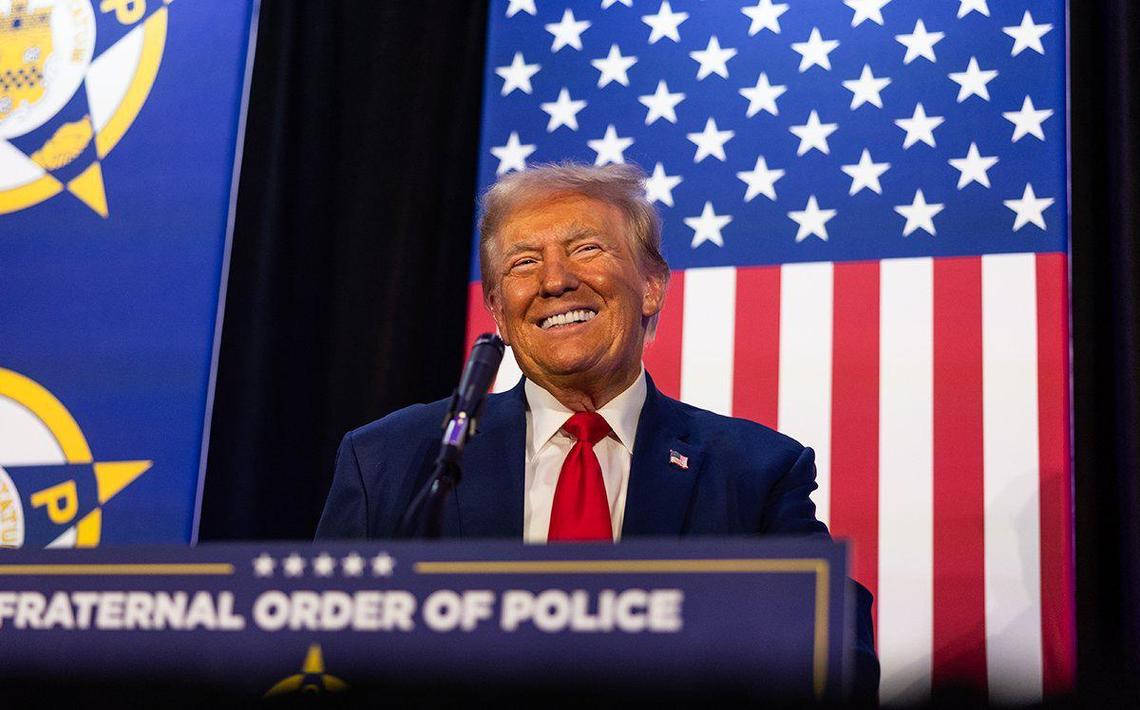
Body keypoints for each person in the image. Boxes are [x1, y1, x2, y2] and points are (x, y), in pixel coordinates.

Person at [316, 162, 878, 696]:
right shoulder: (394, 459)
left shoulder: (755, 470)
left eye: (586, 249)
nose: (555, 281)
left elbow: (836, 654)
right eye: (523, 263)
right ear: (498, 311)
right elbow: (315, 651)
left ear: (652, 285)